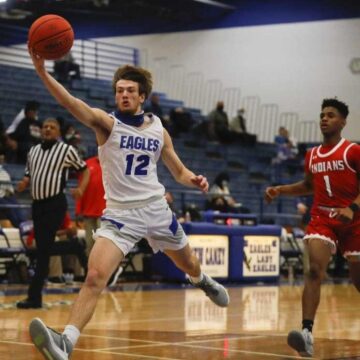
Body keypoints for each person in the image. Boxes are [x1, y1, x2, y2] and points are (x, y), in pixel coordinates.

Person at [27, 52, 229, 359]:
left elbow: (178, 170)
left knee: (188, 263)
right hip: (121, 215)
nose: (123, 94)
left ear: (142, 96)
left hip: (156, 209)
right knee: (95, 276)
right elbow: (70, 102)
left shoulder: (158, 129)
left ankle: (200, 279)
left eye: (130, 91)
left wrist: (195, 180)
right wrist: (42, 72)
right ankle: (65, 343)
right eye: (119, 90)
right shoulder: (106, 124)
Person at [265, 98, 360, 357]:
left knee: (357, 279)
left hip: (354, 220)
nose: (324, 119)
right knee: (314, 270)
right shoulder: (312, 154)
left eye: (330, 115)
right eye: (322, 115)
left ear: (342, 122)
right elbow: (310, 185)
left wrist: (353, 208)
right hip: (322, 218)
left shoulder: (353, 150)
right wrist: (281, 189)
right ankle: (306, 333)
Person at [15, 117, 89, 309]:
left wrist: (80, 189)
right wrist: (23, 183)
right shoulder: (33, 151)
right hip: (37, 205)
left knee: (43, 251)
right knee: (43, 250)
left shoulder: (66, 150)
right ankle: (74, 247)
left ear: (58, 132)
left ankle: (34, 297)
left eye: (52, 127)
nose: (47, 129)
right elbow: (28, 175)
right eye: (45, 127)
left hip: (55, 204)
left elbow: (85, 170)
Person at [75, 154, 106, 256]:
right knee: (90, 245)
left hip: (106, 213)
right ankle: (91, 270)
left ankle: (107, 271)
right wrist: (78, 210)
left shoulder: (112, 163)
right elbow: (81, 187)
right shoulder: (87, 164)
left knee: (104, 244)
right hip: (89, 212)